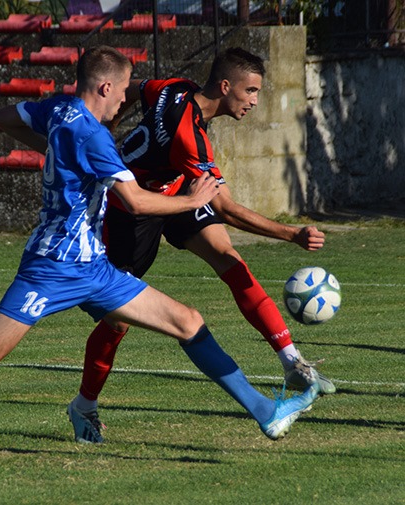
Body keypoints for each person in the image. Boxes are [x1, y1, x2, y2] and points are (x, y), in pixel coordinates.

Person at [0, 46, 318, 450]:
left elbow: (4, 118)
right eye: (122, 92)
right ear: (105, 87)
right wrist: (192, 199)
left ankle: (264, 411)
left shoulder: (59, 110)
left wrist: (55, 151)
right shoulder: (95, 139)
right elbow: (137, 202)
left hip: (96, 268)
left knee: (187, 321)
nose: (126, 101)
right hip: (49, 269)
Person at [67, 47, 334, 444]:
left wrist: (107, 125)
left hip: (176, 192)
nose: (255, 101)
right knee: (117, 321)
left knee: (229, 258)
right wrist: (290, 234)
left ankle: (292, 362)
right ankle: (83, 405)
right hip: (130, 212)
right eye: (251, 91)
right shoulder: (189, 136)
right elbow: (224, 207)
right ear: (226, 87)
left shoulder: (172, 87)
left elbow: (133, 89)